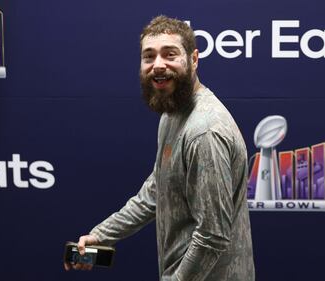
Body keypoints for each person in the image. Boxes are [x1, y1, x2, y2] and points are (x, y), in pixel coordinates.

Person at [64, 15, 255, 281]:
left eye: (170, 54)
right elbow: (157, 190)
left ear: (194, 59)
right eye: (149, 56)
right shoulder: (172, 112)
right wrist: (102, 234)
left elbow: (212, 236)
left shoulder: (205, 132)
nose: (158, 65)